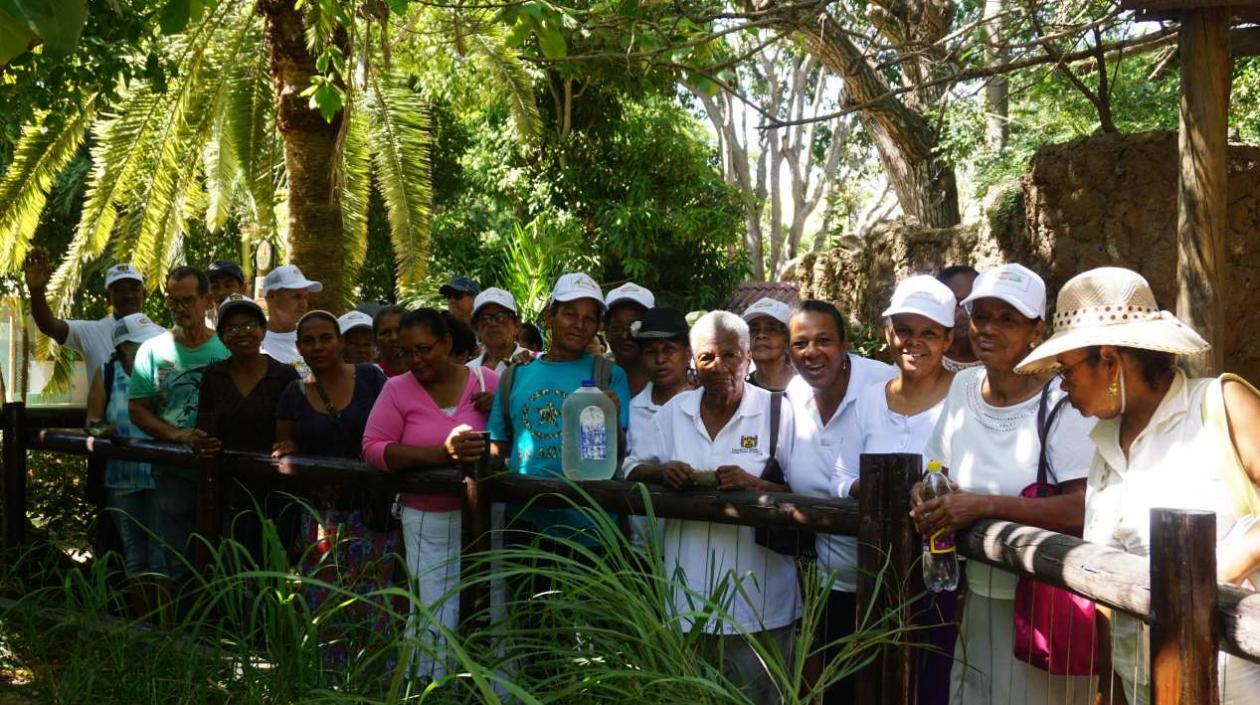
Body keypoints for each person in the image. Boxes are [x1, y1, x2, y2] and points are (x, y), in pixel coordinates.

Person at [1016, 266, 1260, 705]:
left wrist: (1214, 576)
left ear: (1108, 360)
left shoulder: (1220, 407)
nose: (1064, 385)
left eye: (1066, 370)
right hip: (1139, 678)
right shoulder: (1105, 444)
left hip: (1237, 676)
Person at [910, 263, 1096, 705]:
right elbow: (940, 468)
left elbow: (1083, 506)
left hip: (1044, 608)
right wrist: (928, 492)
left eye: (1007, 319)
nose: (988, 329)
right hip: (975, 594)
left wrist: (981, 506)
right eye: (980, 316)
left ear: (1038, 330)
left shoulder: (1061, 400)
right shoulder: (964, 388)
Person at [624, 311, 800, 705]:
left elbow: (804, 490)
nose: (718, 367)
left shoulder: (779, 413)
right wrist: (661, 471)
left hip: (760, 605)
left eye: (730, 355)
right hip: (686, 600)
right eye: (707, 357)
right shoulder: (674, 412)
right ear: (693, 361)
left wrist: (755, 486)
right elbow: (631, 466)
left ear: (749, 357)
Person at [362, 308, 498, 682]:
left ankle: (490, 690)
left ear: (448, 343)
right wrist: (442, 453)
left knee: (490, 603)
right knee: (433, 610)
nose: (416, 360)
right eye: (407, 352)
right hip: (427, 522)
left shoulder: (486, 382)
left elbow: (512, 439)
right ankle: (431, 688)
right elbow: (374, 448)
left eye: (424, 349)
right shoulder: (397, 389)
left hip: (486, 523)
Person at [844, 276, 957, 705]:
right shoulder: (870, 400)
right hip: (876, 572)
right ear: (888, 333)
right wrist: (877, 489)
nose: (913, 342)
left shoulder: (967, 394)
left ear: (949, 337)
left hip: (945, 576)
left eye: (928, 331)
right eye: (904, 330)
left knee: (936, 683)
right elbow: (839, 471)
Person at [783, 299, 895, 704]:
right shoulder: (794, 395)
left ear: (845, 343)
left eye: (824, 340)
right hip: (821, 579)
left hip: (887, 578)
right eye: (800, 344)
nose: (811, 352)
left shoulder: (883, 384)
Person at [273, 311, 395, 660]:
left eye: (325, 337)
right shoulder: (293, 394)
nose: (318, 346)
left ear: (340, 341)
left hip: (372, 513)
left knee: (375, 600)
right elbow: (284, 444)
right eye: (308, 340)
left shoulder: (372, 378)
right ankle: (327, 679)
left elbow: (394, 427)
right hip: (321, 518)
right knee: (324, 600)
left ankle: (376, 680)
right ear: (298, 348)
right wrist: (292, 451)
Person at [488, 272, 631, 544]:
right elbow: (499, 446)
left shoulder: (609, 375)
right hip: (525, 526)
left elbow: (619, 453)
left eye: (589, 318)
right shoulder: (515, 376)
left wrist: (608, 419)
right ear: (549, 317)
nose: (579, 324)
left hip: (591, 530)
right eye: (570, 314)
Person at [127, 266, 230, 587]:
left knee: (224, 553)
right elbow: (137, 408)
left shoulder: (226, 348)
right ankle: (181, 631)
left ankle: (221, 631)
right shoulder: (152, 350)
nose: (181, 309)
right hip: (172, 470)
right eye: (174, 302)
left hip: (223, 469)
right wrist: (177, 435)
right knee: (176, 558)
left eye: (188, 300)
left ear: (207, 300)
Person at [195, 294, 300, 560]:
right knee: (232, 564)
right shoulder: (214, 375)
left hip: (276, 490)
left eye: (249, 325)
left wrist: (292, 444)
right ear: (222, 337)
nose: (242, 333)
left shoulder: (285, 374)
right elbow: (204, 423)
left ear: (263, 331)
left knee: (272, 564)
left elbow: (300, 425)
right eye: (232, 328)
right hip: (228, 490)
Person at [84, 312, 165, 616]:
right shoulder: (108, 373)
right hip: (122, 477)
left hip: (161, 476)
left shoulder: (164, 372)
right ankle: (143, 621)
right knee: (135, 554)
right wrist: (103, 432)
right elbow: (92, 422)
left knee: (162, 553)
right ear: (124, 348)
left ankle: (166, 629)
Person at [622, 307, 693, 547]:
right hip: (644, 545)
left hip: (694, 544)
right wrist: (660, 472)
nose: (660, 360)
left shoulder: (706, 406)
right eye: (651, 352)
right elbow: (625, 470)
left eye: (669, 350)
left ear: (688, 352)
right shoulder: (632, 409)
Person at [24, 249, 147, 382]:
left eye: (134, 289)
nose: (128, 295)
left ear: (144, 294)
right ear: (108, 298)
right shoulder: (92, 331)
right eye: (120, 290)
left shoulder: (161, 337)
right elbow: (48, 325)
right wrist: (36, 291)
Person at [260, 264, 322, 372]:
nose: (304, 305)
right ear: (271, 296)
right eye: (297, 297)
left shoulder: (313, 338)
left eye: (306, 297)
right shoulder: (254, 340)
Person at [604, 282, 655, 396]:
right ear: (607, 332)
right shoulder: (596, 377)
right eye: (616, 328)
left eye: (635, 327)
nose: (625, 336)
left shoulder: (666, 380)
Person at [467, 288, 529, 374]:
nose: (493, 324)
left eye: (501, 316)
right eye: (485, 318)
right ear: (476, 329)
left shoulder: (535, 363)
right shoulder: (469, 371)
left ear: (517, 325)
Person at [743, 297, 796, 392]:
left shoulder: (807, 388)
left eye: (771, 329)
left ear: (788, 338)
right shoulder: (740, 391)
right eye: (753, 329)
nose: (761, 335)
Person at [937, 265, 981, 372]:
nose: (965, 313)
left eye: (972, 304)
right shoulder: (925, 357)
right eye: (956, 304)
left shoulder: (997, 357)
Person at [374, 305, 408, 377]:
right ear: (375, 340)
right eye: (385, 332)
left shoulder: (426, 375)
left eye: (399, 331)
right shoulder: (370, 376)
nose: (394, 338)